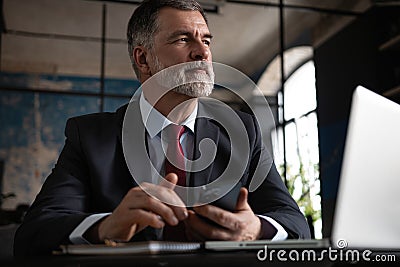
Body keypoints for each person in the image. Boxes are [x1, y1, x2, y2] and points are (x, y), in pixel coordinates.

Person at [14, 0, 310, 257]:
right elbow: (34, 233)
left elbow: (295, 224)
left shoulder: (244, 131)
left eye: (206, 40)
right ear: (143, 59)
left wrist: (256, 229)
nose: (202, 53)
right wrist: (106, 226)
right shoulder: (90, 137)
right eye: (183, 39)